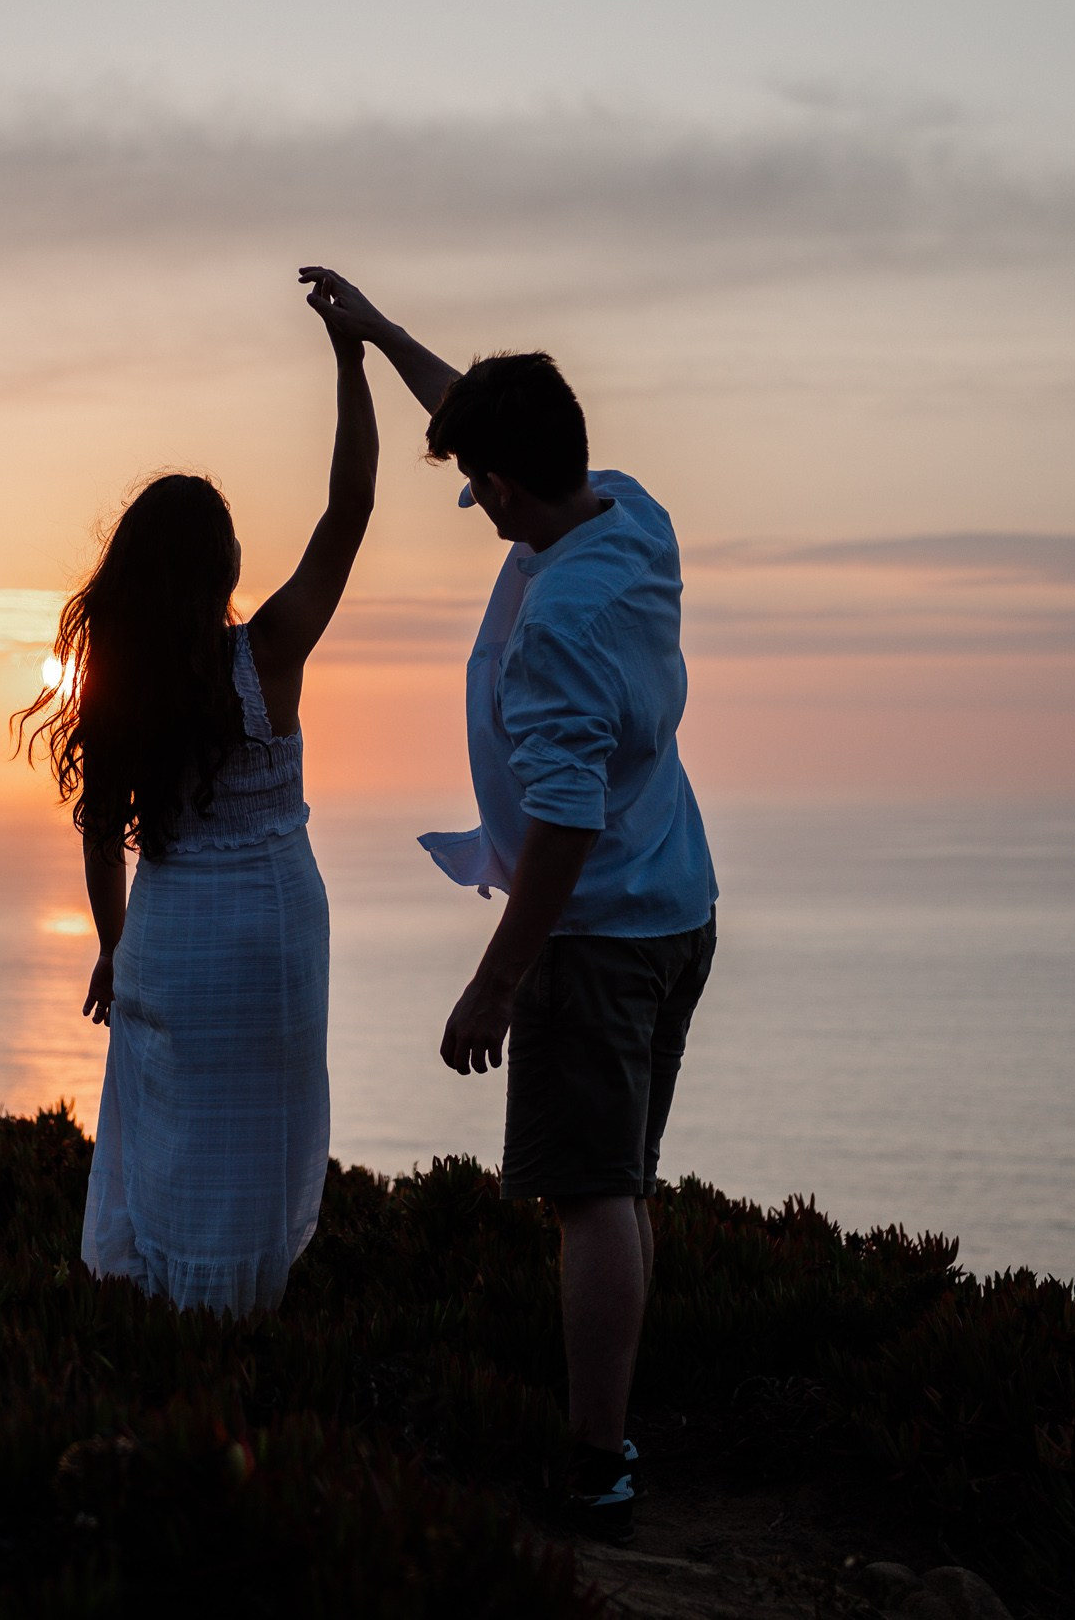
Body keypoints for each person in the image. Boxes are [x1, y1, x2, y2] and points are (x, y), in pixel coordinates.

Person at [300, 267, 718, 1544]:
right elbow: (487, 426)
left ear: (515, 481)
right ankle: (615, 1427)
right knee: (621, 1183)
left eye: (476, 482)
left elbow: (563, 825)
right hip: (677, 906)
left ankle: (597, 1461)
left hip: (593, 935)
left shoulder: (559, 624)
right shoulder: (626, 517)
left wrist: (495, 978)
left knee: (590, 1196)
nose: (470, 498)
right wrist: (377, 338)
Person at [16, 277, 378, 1316]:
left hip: (169, 935)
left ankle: (169, 1329)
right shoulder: (268, 653)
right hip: (271, 929)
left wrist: (113, 942)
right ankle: (250, 1319)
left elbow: (98, 833)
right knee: (261, 1141)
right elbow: (348, 510)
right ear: (223, 562)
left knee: (167, 1136)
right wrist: (350, 364)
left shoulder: (122, 686)